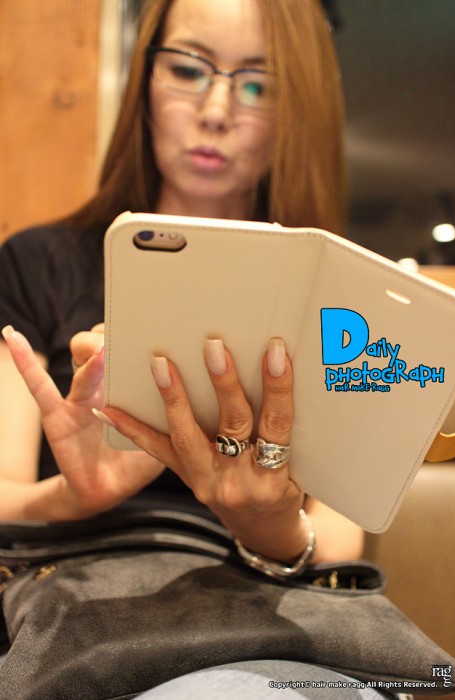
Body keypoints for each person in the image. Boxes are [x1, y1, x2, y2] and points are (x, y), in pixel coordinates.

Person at [0, 0, 370, 696]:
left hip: (274, 617)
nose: (215, 111)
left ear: (298, 110)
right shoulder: (36, 264)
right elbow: (4, 493)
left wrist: (268, 525)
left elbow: (342, 537)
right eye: (189, 70)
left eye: (257, 84)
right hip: (76, 612)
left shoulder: (340, 295)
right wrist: (73, 495)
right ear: (145, 82)